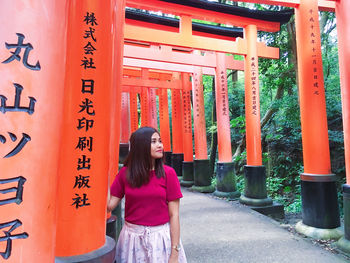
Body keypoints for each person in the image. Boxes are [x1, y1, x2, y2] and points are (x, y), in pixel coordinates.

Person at [108, 126, 187, 263]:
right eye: (154, 141)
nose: (160, 145)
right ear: (141, 146)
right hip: (132, 240)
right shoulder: (125, 174)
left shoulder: (168, 174)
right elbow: (109, 205)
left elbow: (174, 215)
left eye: (160, 141)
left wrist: (175, 252)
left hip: (161, 239)